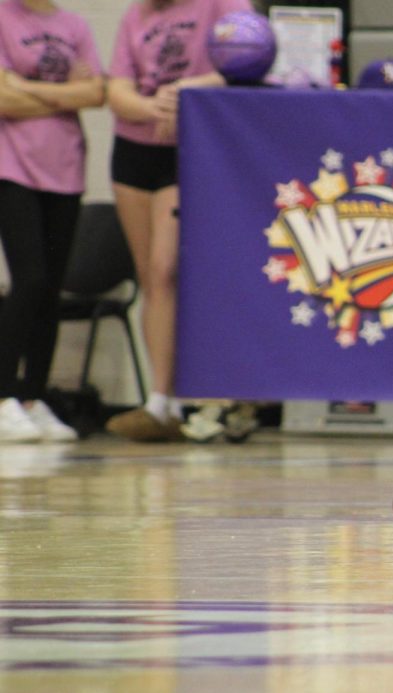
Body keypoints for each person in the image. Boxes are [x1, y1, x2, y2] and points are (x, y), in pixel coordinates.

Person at [103, 0, 251, 442]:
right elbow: (115, 91)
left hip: (190, 145)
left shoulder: (222, 5)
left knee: (167, 267)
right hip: (136, 147)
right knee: (151, 276)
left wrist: (187, 90)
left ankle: (203, 396)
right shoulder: (136, 16)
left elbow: (249, 63)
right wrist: (155, 108)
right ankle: (159, 399)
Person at [0, 0, 105, 442]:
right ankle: (4, 397)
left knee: (51, 288)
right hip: (13, 167)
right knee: (30, 279)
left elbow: (97, 93)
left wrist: (29, 89)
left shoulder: (73, 25)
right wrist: (65, 95)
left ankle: (33, 397)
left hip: (66, 168)